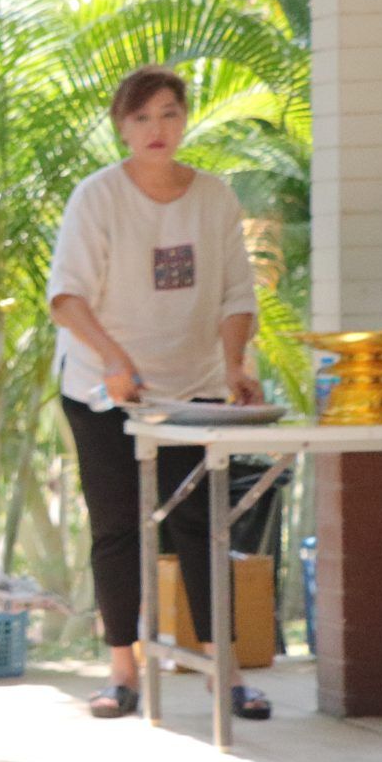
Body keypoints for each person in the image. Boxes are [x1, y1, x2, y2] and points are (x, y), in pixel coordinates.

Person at [47, 64, 270, 721]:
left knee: (202, 525)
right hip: (103, 391)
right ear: (122, 126)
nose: (157, 128)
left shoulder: (214, 197)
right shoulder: (97, 197)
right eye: (141, 116)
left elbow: (236, 293)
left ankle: (225, 672)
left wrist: (234, 364)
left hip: (195, 389)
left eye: (169, 113)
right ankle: (123, 671)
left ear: (185, 119)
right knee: (118, 527)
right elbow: (67, 297)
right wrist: (115, 361)